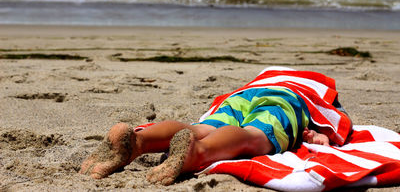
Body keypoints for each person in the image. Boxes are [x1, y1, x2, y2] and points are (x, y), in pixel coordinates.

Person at [80, 68, 352, 185]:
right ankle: (198, 153)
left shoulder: (263, 79)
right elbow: (330, 121)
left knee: (200, 128)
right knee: (253, 136)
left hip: (239, 97)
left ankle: (138, 142)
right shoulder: (317, 90)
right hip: (284, 102)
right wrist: (318, 136)